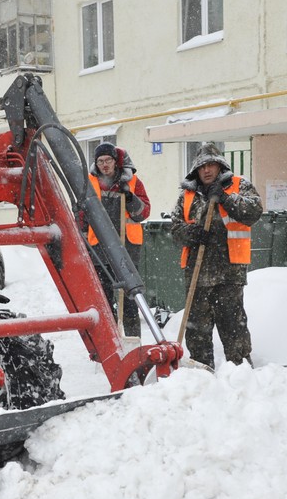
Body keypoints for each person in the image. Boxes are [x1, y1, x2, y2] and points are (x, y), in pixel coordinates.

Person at [168, 142, 262, 368]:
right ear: (196, 171)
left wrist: (225, 198)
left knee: (233, 325)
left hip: (229, 271)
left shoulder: (239, 186)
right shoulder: (188, 195)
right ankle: (203, 371)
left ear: (220, 166)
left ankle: (240, 369)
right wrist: (193, 233)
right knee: (197, 330)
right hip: (197, 274)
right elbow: (175, 229)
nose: (207, 171)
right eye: (202, 167)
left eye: (211, 165)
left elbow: (253, 212)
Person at [80, 142, 151, 338]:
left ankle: (132, 341)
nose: (104, 165)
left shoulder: (133, 182)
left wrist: (129, 196)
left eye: (108, 160)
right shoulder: (89, 182)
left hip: (126, 249)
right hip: (99, 249)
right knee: (103, 299)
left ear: (115, 161)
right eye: (100, 161)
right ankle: (109, 341)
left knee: (129, 300)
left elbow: (143, 213)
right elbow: (80, 214)